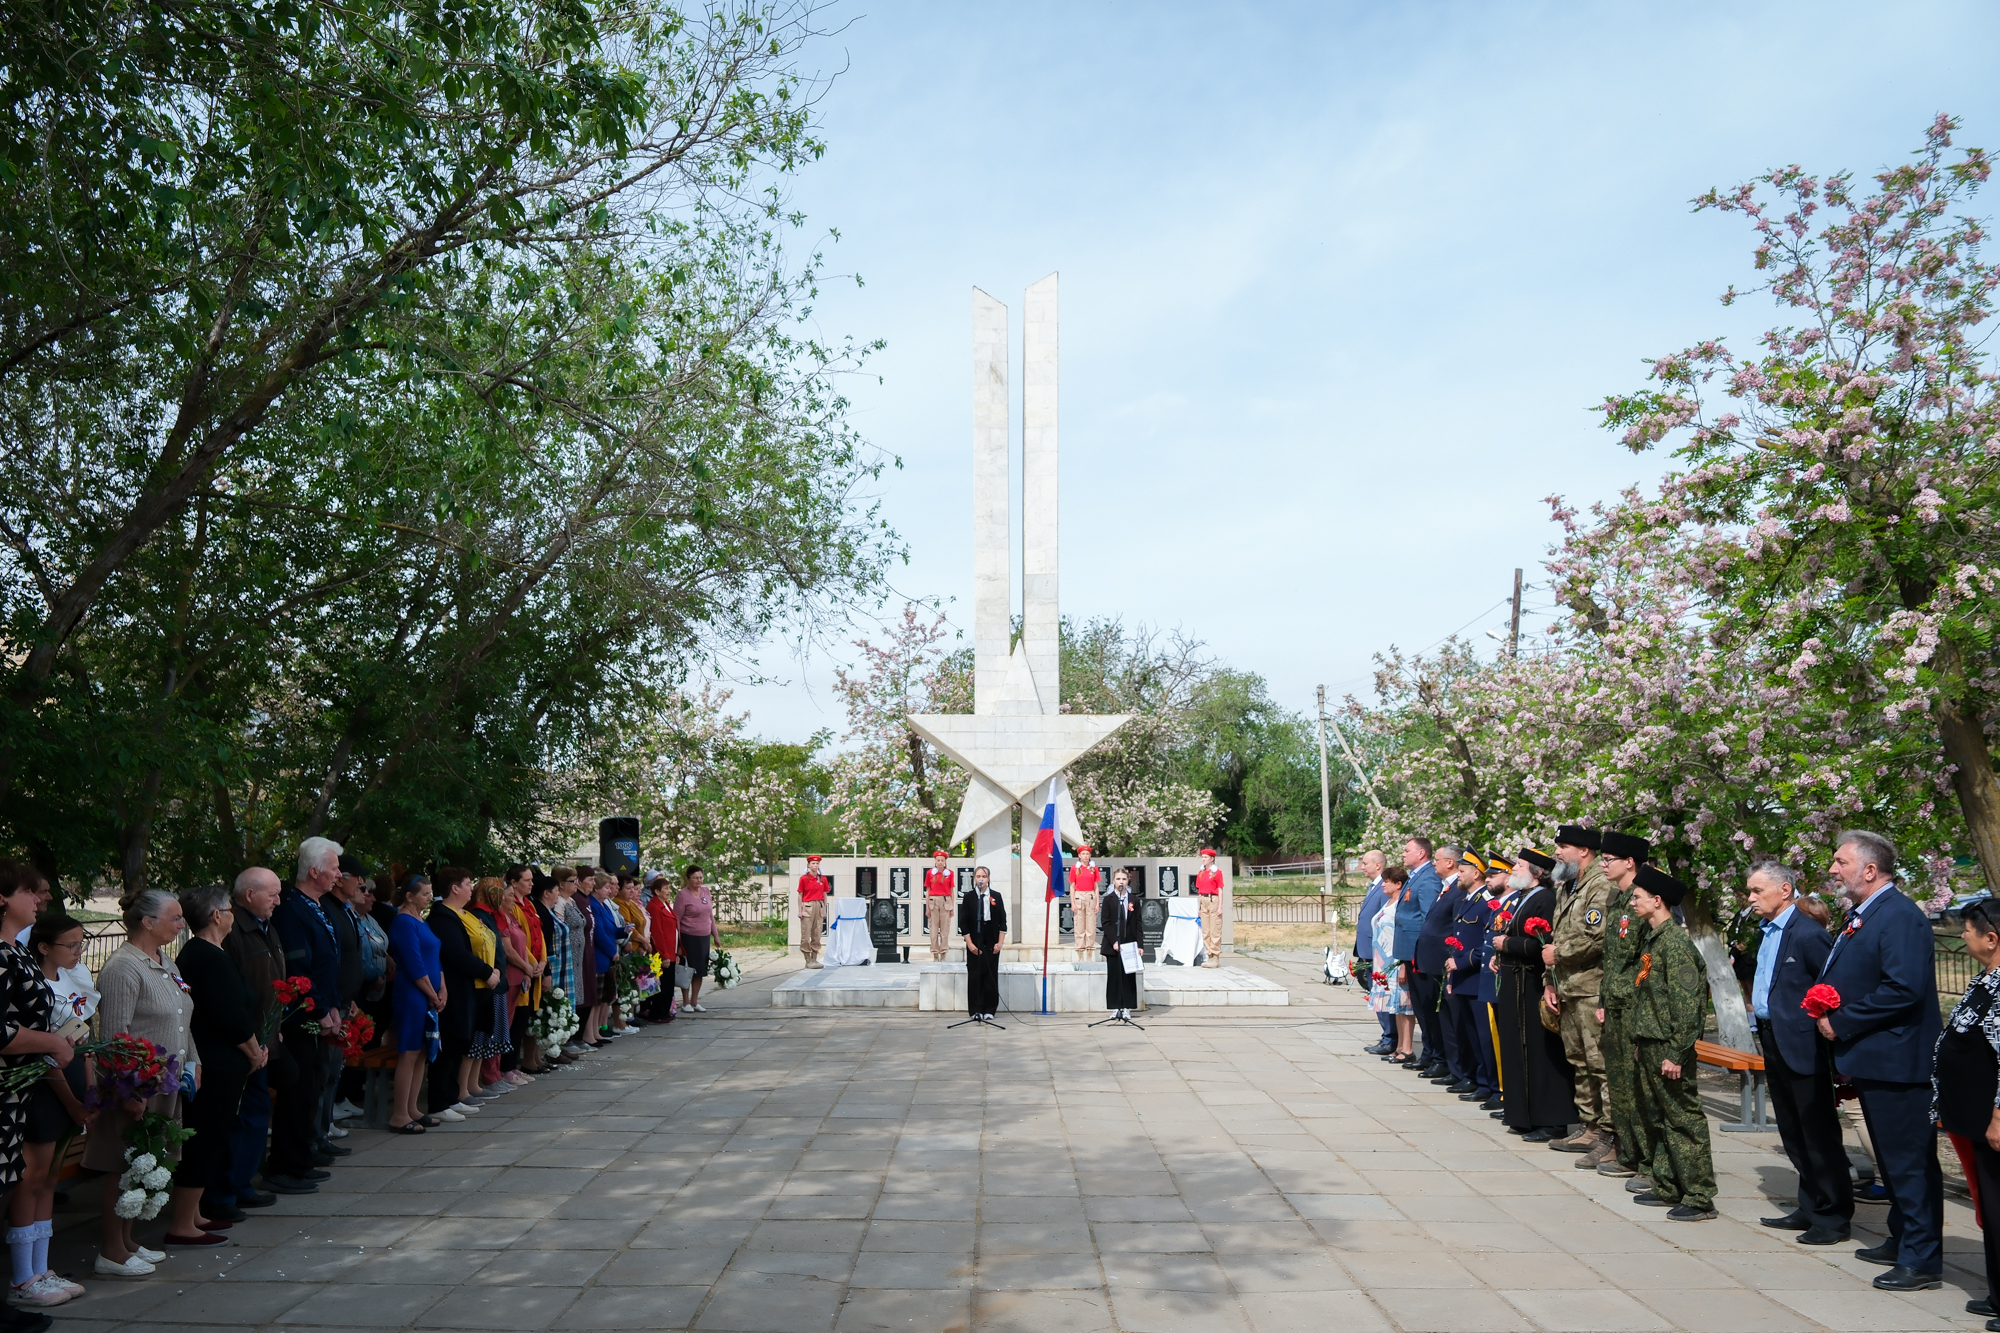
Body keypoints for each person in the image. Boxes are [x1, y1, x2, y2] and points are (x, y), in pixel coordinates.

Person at [1817, 829, 1943, 1291]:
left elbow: (1903, 988)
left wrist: (1842, 1020)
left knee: (1909, 1163)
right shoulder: (1868, 913)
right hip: (1876, 1059)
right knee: (1891, 1161)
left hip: (1898, 1061)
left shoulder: (1899, 915)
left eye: (1841, 862)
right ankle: (1903, 1236)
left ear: (1870, 870)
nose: (1833, 870)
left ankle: (1922, 1259)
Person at [89, 888, 195, 1274]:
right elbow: (116, 1037)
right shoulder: (123, 967)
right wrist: (131, 1090)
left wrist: (194, 1062)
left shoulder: (166, 962)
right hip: (136, 1087)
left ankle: (128, 1240)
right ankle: (111, 1251)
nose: (181, 924)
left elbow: (182, 1019)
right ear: (148, 922)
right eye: (175, 917)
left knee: (146, 1163)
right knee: (123, 1165)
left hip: (165, 1082)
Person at [1746, 860, 1851, 1245]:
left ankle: (1833, 1216)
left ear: (1785, 890)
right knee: (1792, 1129)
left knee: (1817, 1130)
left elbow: (1831, 987)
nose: (1750, 898)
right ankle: (1810, 1205)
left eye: (1757, 890)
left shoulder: (1807, 933)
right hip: (1773, 1038)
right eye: (1749, 890)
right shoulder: (1769, 930)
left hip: (1803, 1044)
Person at [164, 883, 265, 1247]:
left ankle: (193, 1214)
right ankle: (181, 1223)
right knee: (204, 1140)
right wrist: (253, 1051)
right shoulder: (205, 956)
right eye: (230, 910)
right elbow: (229, 1016)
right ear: (216, 915)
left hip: (221, 1061)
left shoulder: (212, 952)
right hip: (214, 1061)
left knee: (213, 1138)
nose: (234, 916)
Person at [0, 868, 81, 1315]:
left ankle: (33, 1273)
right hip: (10, 1088)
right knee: (20, 1182)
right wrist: (50, 1042)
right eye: (28, 892)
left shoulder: (17, 950)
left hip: (23, 1088)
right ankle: (22, 1279)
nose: (39, 899)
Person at [1626, 865, 1717, 1221]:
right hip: (1652, 1043)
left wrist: (1676, 1052)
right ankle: (1668, 1184)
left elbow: (1688, 1006)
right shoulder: (1655, 940)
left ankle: (1699, 1195)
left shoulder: (1676, 946)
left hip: (1668, 1047)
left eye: (1637, 897)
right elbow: (1652, 998)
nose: (1632, 902)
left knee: (1683, 1119)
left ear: (1657, 900)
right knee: (1660, 1117)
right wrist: (1641, 1039)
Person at [1933, 897, 2000, 1330]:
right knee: (1991, 1209)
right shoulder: (1986, 980)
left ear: (1991, 938)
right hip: (1973, 1118)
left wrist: (1999, 1116)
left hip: (1993, 1120)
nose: (1962, 935)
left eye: (1969, 930)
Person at [268, 837, 344, 1193]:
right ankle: (285, 1166)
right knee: (296, 1091)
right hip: (300, 1015)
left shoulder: (318, 906)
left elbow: (329, 962)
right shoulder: (291, 909)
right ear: (314, 871)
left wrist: (334, 1004)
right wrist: (319, 1007)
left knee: (312, 1087)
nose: (339, 874)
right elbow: (298, 964)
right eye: (334, 868)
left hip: (320, 1009)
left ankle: (301, 1158)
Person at [1492, 849, 1577, 1142]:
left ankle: (1551, 1120)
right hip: (1515, 983)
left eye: (1520, 865)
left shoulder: (1545, 899)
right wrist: (1499, 954)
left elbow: (1544, 945)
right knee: (1517, 1049)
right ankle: (1523, 1115)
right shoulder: (1523, 898)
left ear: (1537, 873)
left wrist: (1507, 945)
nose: (1514, 868)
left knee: (1541, 1052)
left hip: (1533, 985)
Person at [214, 867, 286, 1209]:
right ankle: (229, 1190)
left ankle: (243, 1184)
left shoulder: (266, 926)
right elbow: (235, 994)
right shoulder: (234, 932)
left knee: (257, 1113)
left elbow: (272, 981)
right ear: (249, 895)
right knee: (241, 1118)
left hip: (263, 1040)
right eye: (272, 894)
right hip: (243, 1042)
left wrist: (275, 1026)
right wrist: (251, 1041)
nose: (278, 901)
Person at [1547, 824, 1613, 1157]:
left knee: (1600, 1063)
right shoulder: (1568, 885)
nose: (1557, 852)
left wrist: (1558, 956)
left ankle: (1610, 1135)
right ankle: (1590, 1127)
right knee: (1579, 1061)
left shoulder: (1600, 885)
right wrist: (1549, 980)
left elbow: (1596, 938)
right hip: (1568, 987)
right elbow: (1556, 936)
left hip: (1591, 989)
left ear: (1584, 851)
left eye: (1563, 847)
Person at [1591, 830, 1651, 1176]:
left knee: (1635, 1085)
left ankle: (1643, 1159)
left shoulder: (1643, 900)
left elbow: (1645, 960)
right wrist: (1604, 998)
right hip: (1614, 1003)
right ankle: (1627, 1152)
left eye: (1608, 859)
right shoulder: (1618, 899)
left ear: (1629, 862)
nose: (1603, 864)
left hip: (1633, 1004)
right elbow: (1612, 958)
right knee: (1619, 1084)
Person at [427, 869, 497, 1118]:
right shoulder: (442, 918)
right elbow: (456, 954)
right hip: (452, 990)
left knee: (459, 1044)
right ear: (454, 888)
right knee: (449, 1044)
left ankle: (452, 1096)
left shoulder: (459, 915)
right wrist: (486, 972)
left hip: (464, 989)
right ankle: (438, 1103)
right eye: (467, 884)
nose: (471, 888)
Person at [388, 876, 444, 1132]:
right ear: (409, 896)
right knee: (409, 1052)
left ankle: (412, 1108)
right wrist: (432, 993)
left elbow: (435, 957)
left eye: (430, 893)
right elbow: (414, 963)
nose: (429, 898)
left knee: (422, 1051)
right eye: (425, 894)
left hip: (428, 993)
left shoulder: (422, 920)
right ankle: (399, 1114)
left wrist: (442, 987)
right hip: (412, 994)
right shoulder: (403, 921)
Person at [1410, 844, 1465, 1082]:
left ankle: (1448, 1064)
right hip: (1431, 960)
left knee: (1445, 1017)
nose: (1434, 863)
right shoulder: (1446, 887)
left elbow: (1454, 927)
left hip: (1443, 960)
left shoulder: (1457, 890)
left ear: (1450, 863)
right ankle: (1440, 1059)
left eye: (1438, 860)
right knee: (1434, 1014)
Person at [1442, 853, 1493, 1101]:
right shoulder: (1466, 900)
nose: (1458, 875)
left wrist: (1461, 963)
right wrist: (1452, 977)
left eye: (1462, 871)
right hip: (1462, 978)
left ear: (1476, 873)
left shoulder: (1487, 902)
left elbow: (1487, 943)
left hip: (1476, 977)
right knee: (1470, 1034)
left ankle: (1489, 1085)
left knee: (1484, 1036)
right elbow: (1458, 939)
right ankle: (1475, 1079)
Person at [1392, 838, 1443, 1063]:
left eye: (1407, 850)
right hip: (1411, 953)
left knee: (1427, 1008)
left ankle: (1433, 1055)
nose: (1403, 854)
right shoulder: (1417, 876)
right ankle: (1429, 1054)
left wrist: (1418, 954)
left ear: (1421, 853)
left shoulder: (1429, 878)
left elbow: (1428, 920)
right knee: (1421, 1008)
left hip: (1419, 954)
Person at [1468, 853, 1512, 1109]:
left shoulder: (1512, 904)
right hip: (1489, 981)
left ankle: (1502, 1091)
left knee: (1498, 1039)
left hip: (1498, 981)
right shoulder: (1499, 906)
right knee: (1491, 1039)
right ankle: (1497, 1089)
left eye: (1494, 875)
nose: (1488, 879)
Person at [468, 878, 515, 1088]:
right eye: (498, 892)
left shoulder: (489, 914)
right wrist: (494, 971)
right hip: (488, 982)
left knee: (496, 1032)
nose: (501, 897)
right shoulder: (478, 914)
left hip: (497, 978)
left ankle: (494, 1075)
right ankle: (488, 1077)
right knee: (486, 1034)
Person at [1369, 864, 1415, 1062]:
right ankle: (1399, 1047)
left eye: (1386, 881)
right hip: (1383, 961)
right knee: (1395, 1006)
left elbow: (1404, 933)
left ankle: (1408, 1048)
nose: (1382, 885)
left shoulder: (1401, 905)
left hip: (1396, 961)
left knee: (1404, 1005)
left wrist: (1404, 964)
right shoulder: (1389, 902)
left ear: (1398, 884)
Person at [1353, 851, 1393, 1054]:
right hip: (1368, 951)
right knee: (1376, 995)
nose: (1362, 867)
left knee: (1382, 996)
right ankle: (1387, 1036)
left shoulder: (1384, 887)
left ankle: (1390, 1038)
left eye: (1365, 863)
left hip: (1378, 953)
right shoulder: (1375, 886)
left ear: (1378, 865)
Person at [959, 866, 1007, 1020]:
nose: (981, 879)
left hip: (991, 937)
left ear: (988, 878)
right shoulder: (969, 897)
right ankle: (975, 1010)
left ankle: (989, 1010)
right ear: (974, 878)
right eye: (978, 876)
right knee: (975, 976)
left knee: (990, 976)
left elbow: (1003, 921)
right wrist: (970, 944)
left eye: (984, 876)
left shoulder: (996, 896)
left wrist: (1000, 943)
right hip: (975, 937)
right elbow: (963, 923)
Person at [1100, 868, 1142, 1018]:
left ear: (1128, 881)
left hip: (1129, 943)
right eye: (1118, 879)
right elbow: (1105, 922)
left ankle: (1127, 1007)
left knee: (1128, 977)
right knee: (1114, 976)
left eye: (1124, 879)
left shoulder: (1133, 900)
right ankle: (1115, 1007)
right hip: (1113, 945)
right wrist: (1114, 941)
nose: (1121, 882)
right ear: (1113, 881)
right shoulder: (1108, 899)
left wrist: (1140, 945)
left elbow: (1138, 923)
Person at [673, 867, 714, 1015]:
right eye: (696, 878)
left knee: (700, 971)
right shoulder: (682, 895)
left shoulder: (706, 892)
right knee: (688, 969)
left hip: (704, 937)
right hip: (688, 937)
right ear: (688, 878)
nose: (699, 880)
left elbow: (710, 915)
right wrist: (678, 942)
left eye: (701, 877)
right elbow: (676, 919)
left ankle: (695, 1001)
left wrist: (715, 935)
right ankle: (685, 1002)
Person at [642, 877, 678, 1021]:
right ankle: (658, 1013)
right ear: (657, 891)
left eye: (669, 888)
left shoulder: (666, 904)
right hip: (663, 953)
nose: (669, 891)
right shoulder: (654, 906)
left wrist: (678, 950)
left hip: (672, 950)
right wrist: (664, 955)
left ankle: (665, 1011)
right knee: (663, 984)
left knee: (668, 984)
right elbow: (657, 932)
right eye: (666, 888)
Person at [1068, 847, 1102, 965]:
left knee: (1091, 925)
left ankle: (1090, 951)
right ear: (1079, 855)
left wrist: (1097, 902)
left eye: (1087, 854)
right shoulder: (1075, 868)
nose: (1085, 856)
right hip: (1079, 895)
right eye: (1083, 854)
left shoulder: (1094, 868)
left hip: (1090, 895)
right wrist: (1073, 902)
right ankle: (1080, 952)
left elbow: (1096, 886)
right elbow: (1072, 886)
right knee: (1079, 924)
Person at [923, 850, 955, 963]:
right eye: (938, 860)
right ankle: (935, 953)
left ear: (945, 861)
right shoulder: (930, 873)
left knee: (945, 929)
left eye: (942, 860)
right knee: (933, 929)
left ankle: (944, 952)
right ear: (935, 861)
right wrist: (927, 907)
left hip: (946, 900)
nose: (940, 862)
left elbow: (951, 891)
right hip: (933, 900)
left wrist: (952, 907)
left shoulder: (949, 873)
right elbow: (928, 890)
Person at [1194, 849, 1224, 967]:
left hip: (1213, 899)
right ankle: (1209, 955)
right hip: (1204, 900)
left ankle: (1215, 957)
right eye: (1203, 857)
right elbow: (1199, 891)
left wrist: (1220, 906)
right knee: (1206, 930)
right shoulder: (1201, 873)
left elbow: (1220, 890)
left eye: (1206, 857)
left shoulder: (1217, 872)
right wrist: (1199, 907)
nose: (1203, 859)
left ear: (1212, 859)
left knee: (1214, 929)